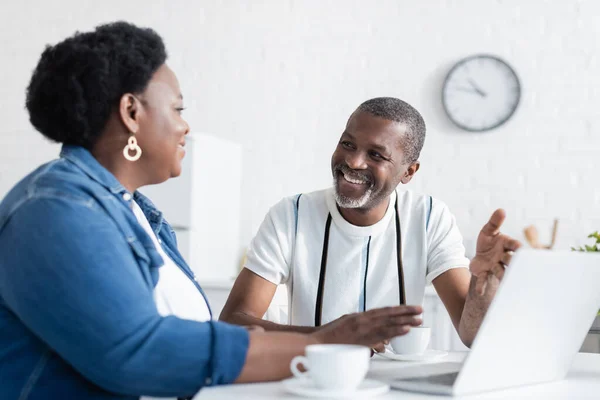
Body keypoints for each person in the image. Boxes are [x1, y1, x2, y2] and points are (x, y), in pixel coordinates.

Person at [0, 23, 423, 399]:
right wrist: (325, 341)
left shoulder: (136, 215)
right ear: (132, 113)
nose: (185, 126)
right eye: (177, 109)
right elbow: (141, 353)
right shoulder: (55, 210)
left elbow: (194, 339)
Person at [220, 97, 521, 349]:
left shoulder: (430, 217)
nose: (353, 162)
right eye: (348, 144)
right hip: (313, 381)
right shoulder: (291, 214)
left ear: (409, 172)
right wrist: (327, 338)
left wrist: (484, 285)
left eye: (376, 154)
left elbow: (472, 337)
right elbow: (233, 322)